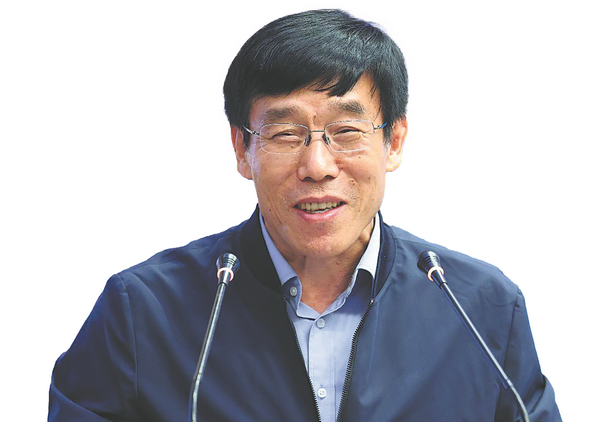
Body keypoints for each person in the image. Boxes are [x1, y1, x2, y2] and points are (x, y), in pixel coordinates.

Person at [48, 9, 561, 422]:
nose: (317, 166)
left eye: (347, 131)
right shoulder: (143, 312)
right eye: (285, 134)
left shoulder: (481, 309)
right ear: (242, 149)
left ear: (394, 141)